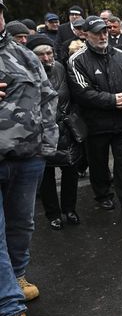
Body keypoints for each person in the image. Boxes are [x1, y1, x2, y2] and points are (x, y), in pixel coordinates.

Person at [0, 0, 58, 316]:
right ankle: (9, 308)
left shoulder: (24, 55)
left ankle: (17, 275)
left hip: (27, 157)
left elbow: (48, 99)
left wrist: (47, 146)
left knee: (22, 224)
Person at [68, 16, 122, 215]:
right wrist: (112, 100)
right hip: (95, 124)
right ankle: (103, 195)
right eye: (97, 32)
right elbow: (83, 93)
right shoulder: (77, 60)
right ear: (86, 34)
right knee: (98, 163)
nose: (102, 35)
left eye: (105, 31)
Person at [27, 35, 82, 230]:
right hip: (40, 131)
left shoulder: (61, 67)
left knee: (70, 170)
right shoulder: (26, 72)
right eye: (41, 54)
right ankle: (53, 214)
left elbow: (74, 94)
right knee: (47, 175)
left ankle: (70, 209)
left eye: (49, 53)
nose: (46, 57)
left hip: (65, 128)